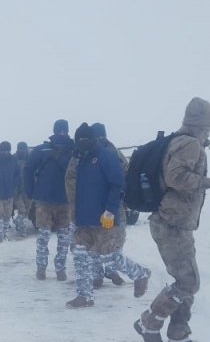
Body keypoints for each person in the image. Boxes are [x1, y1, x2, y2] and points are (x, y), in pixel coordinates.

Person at [133, 97, 210, 342]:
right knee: (188, 282)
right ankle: (149, 321)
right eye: (209, 125)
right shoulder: (190, 144)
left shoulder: (180, 140)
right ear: (203, 124)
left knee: (187, 278)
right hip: (172, 222)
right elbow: (175, 177)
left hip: (175, 221)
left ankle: (179, 337)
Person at [65, 123, 151, 308]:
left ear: (93, 139)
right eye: (78, 140)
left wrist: (110, 210)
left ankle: (140, 273)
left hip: (104, 216)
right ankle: (85, 295)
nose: (82, 143)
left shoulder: (106, 156)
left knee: (108, 256)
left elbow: (117, 184)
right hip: (82, 217)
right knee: (80, 254)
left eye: (85, 139)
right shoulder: (79, 158)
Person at [24, 120, 74, 280]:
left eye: (64, 131)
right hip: (44, 201)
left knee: (64, 238)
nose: (62, 133)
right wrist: (31, 192)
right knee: (44, 236)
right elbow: (28, 170)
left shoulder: (73, 149)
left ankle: (60, 268)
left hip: (65, 202)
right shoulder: (42, 149)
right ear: (54, 131)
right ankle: (41, 267)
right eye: (59, 130)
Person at [91, 122, 129, 288]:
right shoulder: (87, 154)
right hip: (95, 203)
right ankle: (97, 273)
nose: (100, 138)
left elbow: (127, 174)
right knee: (96, 239)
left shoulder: (116, 153)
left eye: (102, 135)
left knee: (118, 237)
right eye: (97, 135)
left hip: (116, 203)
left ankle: (112, 269)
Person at [13, 142, 32, 235]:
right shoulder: (13, 159)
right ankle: (22, 230)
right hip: (17, 190)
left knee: (27, 210)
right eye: (20, 149)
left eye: (24, 149)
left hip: (28, 189)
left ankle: (18, 221)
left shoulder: (31, 159)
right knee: (22, 210)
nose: (22, 151)